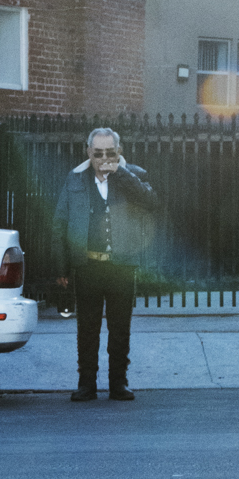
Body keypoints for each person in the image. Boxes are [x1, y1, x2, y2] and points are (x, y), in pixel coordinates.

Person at [51, 127, 157, 402]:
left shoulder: (133, 175)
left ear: (119, 152)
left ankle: (118, 383)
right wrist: (62, 267)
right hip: (88, 266)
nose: (104, 159)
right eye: (98, 153)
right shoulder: (75, 178)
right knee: (87, 330)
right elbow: (60, 223)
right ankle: (86, 384)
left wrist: (121, 172)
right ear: (89, 152)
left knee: (120, 329)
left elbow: (150, 202)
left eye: (110, 153)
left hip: (122, 266)